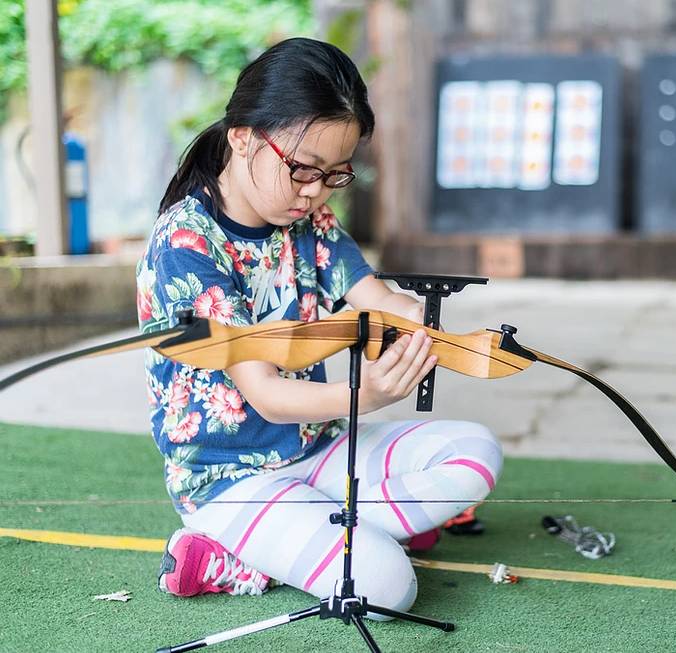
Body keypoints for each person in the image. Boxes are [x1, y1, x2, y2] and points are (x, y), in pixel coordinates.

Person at [136, 37, 502, 616]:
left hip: (319, 450)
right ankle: (230, 550)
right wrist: (370, 394)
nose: (313, 192)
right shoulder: (187, 242)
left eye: (334, 175)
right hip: (230, 481)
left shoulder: (309, 220)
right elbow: (268, 397)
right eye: (303, 170)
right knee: (386, 589)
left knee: (475, 452)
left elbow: (379, 300)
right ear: (243, 137)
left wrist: (434, 327)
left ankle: (325, 526)